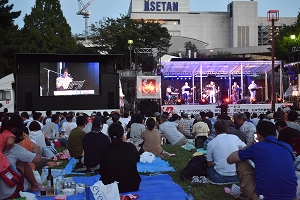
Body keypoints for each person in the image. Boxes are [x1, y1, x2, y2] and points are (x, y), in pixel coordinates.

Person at [227, 120, 297, 199]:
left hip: (264, 197)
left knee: (241, 162)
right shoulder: (287, 147)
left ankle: (246, 191)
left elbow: (230, 159)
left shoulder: (257, 147)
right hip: (291, 196)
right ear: (276, 134)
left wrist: (248, 146)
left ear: (258, 136)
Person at [0, 114, 41, 199]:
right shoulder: (14, 147)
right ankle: (35, 185)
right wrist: (28, 140)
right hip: (10, 193)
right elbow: (37, 159)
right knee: (23, 159)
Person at [99, 123, 141, 193]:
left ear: (109, 135)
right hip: (132, 185)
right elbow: (137, 159)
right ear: (122, 135)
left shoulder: (104, 150)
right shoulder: (131, 147)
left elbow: (102, 170)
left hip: (110, 186)